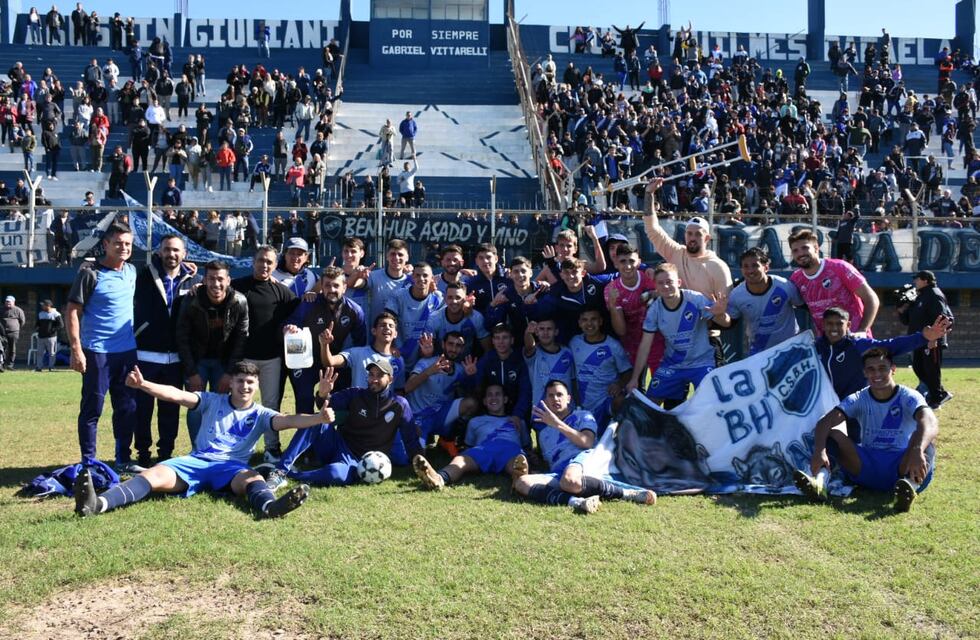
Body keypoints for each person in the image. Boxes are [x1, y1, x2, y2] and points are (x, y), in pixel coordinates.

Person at [73, 360, 329, 519]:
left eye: (250, 382)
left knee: (253, 478)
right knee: (151, 476)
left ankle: (270, 508)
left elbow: (289, 420)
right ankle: (98, 504)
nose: (245, 387)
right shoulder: (210, 400)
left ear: (258, 385)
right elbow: (175, 395)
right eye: (240, 381)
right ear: (231, 384)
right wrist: (143, 385)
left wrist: (318, 418)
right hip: (194, 462)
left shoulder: (261, 414)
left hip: (231, 468)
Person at [794, 348, 939, 513]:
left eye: (882, 368)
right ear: (864, 373)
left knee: (925, 443)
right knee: (834, 433)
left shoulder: (909, 396)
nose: (877, 373)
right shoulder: (859, 398)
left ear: (893, 369)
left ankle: (908, 489)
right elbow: (825, 422)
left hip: (901, 467)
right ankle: (820, 482)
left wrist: (917, 449)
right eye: (871, 369)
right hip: (866, 467)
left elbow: (930, 421)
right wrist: (819, 450)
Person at [265, 361, 421, 490]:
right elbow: (324, 405)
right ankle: (279, 471)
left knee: (335, 474)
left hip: (359, 462)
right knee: (317, 420)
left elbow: (411, 439)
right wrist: (323, 394)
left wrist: (421, 465)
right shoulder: (355, 394)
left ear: (391, 379)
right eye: (371, 375)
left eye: (380, 375)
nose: (374, 379)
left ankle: (293, 476)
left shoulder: (400, 405)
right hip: (337, 446)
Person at [510, 380, 655, 514]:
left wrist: (557, 424)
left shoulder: (583, 415)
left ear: (569, 398)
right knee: (522, 483)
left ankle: (628, 493)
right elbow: (549, 461)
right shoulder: (544, 433)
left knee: (570, 480)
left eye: (560, 394)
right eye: (551, 396)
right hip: (560, 471)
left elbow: (587, 442)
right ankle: (577, 502)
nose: (555, 399)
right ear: (546, 401)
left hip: (582, 460)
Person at [66, 223, 141, 472]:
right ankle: (89, 462)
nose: (123, 247)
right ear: (106, 244)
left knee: (128, 407)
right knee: (93, 408)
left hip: (127, 352)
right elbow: (72, 311)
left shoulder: (131, 271)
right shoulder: (90, 272)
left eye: (128, 243)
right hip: (97, 352)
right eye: (118, 243)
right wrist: (77, 349)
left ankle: (122, 459)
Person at [643, 179, 733, 363]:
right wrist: (648, 194)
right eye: (689, 233)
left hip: (707, 338)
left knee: (712, 390)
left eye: (697, 234)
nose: (692, 238)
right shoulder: (676, 253)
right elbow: (652, 228)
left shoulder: (718, 267)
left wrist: (717, 313)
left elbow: (726, 313)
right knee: (672, 391)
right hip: (677, 339)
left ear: (707, 238)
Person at [132, 235, 199, 467]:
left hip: (176, 358)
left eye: (176, 251)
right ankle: (141, 453)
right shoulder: (143, 276)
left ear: (184, 254)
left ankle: (165, 454)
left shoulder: (193, 280)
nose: (172, 254)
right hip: (145, 355)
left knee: (170, 408)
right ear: (159, 252)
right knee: (142, 409)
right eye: (167, 250)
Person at [626, 263, 731, 409]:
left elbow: (726, 323)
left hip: (702, 363)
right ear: (655, 286)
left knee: (714, 402)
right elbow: (645, 346)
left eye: (669, 282)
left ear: (679, 282)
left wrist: (720, 313)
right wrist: (635, 379)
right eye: (661, 283)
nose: (666, 286)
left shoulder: (695, 299)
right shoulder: (654, 310)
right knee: (649, 406)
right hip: (673, 364)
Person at [231, 246, 299, 463]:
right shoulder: (238, 286)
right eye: (261, 260)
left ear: (275, 265)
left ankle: (272, 448)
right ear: (253, 261)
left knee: (271, 405)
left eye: (270, 262)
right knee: (239, 403)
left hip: (272, 359)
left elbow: (300, 313)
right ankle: (236, 448)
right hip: (244, 358)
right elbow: (214, 292)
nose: (265, 265)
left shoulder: (283, 292)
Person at [175, 260, 249, 441]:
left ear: (229, 280)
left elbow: (241, 340)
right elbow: (182, 337)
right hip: (197, 361)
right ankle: (197, 450)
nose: (216, 284)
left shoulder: (239, 301)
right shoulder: (192, 299)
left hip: (224, 363)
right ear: (204, 280)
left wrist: (229, 373)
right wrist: (191, 372)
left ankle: (216, 448)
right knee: (195, 406)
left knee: (222, 407)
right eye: (211, 279)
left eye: (220, 279)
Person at [412, 384, 524, 490]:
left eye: (497, 394)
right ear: (484, 401)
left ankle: (519, 482)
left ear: (505, 399)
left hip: (509, 449)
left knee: (518, 463)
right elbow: (468, 446)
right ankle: (438, 479)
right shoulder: (475, 421)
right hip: (484, 449)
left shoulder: (517, 422)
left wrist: (530, 455)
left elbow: (525, 444)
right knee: (460, 460)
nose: (493, 398)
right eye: (489, 395)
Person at [789, 228, 879, 336]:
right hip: (827, 345)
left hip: (855, 340)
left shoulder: (839, 268)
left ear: (816, 248)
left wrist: (862, 330)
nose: (801, 253)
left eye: (805, 248)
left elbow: (871, 298)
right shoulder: (796, 279)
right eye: (795, 250)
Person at [727, 248, 803, 356]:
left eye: (755, 265)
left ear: (766, 267)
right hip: (759, 353)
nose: (750, 270)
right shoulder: (736, 295)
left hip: (790, 348)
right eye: (746, 266)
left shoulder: (784, 286)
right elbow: (729, 323)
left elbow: (804, 306)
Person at [569, 309, 632, 432]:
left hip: (606, 399)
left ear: (601, 321)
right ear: (579, 323)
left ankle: (624, 437)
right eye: (585, 320)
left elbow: (628, 371)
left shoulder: (613, 345)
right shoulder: (574, 342)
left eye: (593, 319)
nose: (589, 324)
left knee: (622, 402)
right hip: (584, 403)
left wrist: (619, 384)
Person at [897, 271, 954, 409]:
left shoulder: (934, 294)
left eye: (916, 279)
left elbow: (944, 317)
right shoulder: (919, 296)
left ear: (926, 280)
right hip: (918, 339)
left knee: (931, 369)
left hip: (931, 340)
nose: (914, 282)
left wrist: (935, 337)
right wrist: (901, 308)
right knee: (919, 367)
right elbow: (907, 320)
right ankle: (939, 394)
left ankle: (936, 399)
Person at [384, 262, 443, 369]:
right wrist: (390, 346)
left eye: (425, 275)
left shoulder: (438, 298)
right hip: (398, 354)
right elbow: (387, 321)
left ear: (432, 278)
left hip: (425, 357)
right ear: (412, 277)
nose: (421, 278)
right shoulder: (398, 296)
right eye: (417, 275)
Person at [366, 238, 411, 325]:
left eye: (400, 254)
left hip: (402, 335)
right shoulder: (373, 276)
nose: (396, 257)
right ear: (387, 256)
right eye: (393, 254)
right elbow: (357, 284)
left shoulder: (411, 281)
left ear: (407, 257)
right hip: (377, 334)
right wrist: (357, 275)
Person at [34, 298, 63, 371]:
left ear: (48, 306)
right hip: (41, 336)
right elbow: (37, 324)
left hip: (51, 337)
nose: (42, 306)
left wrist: (52, 330)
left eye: (43, 305)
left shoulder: (56, 314)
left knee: (52, 353)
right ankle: (39, 367)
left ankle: (51, 367)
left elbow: (61, 325)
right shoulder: (40, 314)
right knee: (39, 353)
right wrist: (37, 328)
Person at [2, 295, 26, 369]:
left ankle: (10, 365)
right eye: (6, 301)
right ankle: (2, 364)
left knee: (12, 348)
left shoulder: (18, 310)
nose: (8, 303)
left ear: (13, 302)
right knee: (2, 348)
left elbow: (22, 321)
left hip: (13, 332)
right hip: (2, 333)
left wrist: (16, 328)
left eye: (9, 302)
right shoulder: (1, 309)